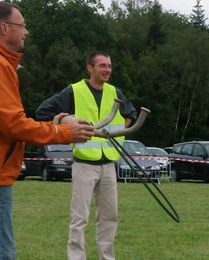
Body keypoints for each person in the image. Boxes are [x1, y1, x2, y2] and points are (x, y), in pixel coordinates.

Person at [0, 2, 95, 259]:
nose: (26, 32)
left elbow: (6, 120)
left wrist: (56, 123)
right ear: (4, 28)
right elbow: (13, 125)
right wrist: (65, 134)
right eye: (22, 26)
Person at [36, 51, 137, 260]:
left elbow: (131, 115)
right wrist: (65, 120)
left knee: (110, 217)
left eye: (109, 66)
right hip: (84, 164)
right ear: (90, 68)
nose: (107, 70)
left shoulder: (115, 92)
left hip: (109, 164)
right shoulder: (74, 91)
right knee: (80, 218)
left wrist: (116, 134)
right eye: (102, 66)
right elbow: (43, 111)